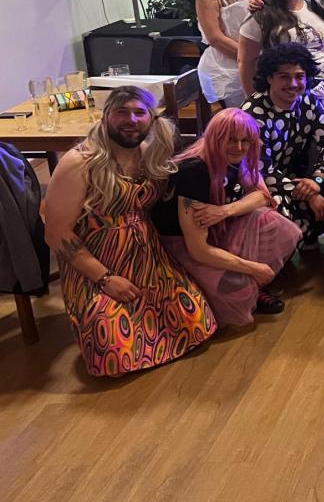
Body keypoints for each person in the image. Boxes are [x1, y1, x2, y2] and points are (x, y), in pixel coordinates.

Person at [43, 87, 216, 377]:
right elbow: (56, 234)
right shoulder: (79, 162)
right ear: (105, 117)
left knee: (198, 323)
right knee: (114, 353)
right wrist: (105, 279)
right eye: (121, 112)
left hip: (148, 257)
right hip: (96, 262)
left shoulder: (149, 154)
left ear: (152, 118)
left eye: (139, 112)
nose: (131, 119)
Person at [152, 108, 301, 325]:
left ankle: (252, 286)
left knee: (272, 221)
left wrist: (225, 211)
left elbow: (262, 196)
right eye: (230, 139)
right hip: (179, 246)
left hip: (212, 229)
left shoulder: (234, 157)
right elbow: (197, 250)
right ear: (215, 138)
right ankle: (246, 285)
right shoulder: (195, 171)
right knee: (235, 288)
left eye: (245, 141)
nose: (239, 147)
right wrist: (253, 268)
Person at [241, 43, 324, 243]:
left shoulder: (308, 100)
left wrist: (317, 179)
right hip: (253, 184)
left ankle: (314, 245)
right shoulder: (254, 114)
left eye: (299, 76)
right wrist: (310, 195)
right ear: (269, 78)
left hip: (294, 178)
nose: (293, 83)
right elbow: (263, 171)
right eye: (284, 77)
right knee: (284, 212)